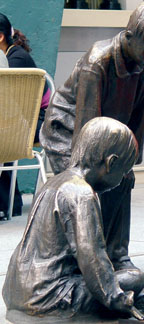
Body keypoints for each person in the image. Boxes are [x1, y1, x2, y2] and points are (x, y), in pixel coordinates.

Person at [40, 1, 144, 274]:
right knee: (82, 189)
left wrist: (129, 163)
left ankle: (117, 254)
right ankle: (77, 257)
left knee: (121, 180)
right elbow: (86, 125)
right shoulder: (98, 62)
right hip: (69, 131)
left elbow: (138, 120)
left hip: (105, 133)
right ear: (129, 37)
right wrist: (90, 166)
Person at [2, 117, 144, 321]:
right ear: (111, 163)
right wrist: (114, 298)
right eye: (123, 173)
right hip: (51, 299)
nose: (120, 182)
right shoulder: (81, 193)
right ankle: (125, 300)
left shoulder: (52, 183)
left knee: (114, 277)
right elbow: (92, 256)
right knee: (134, 278)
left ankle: (123, 298)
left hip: (17, 294)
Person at [0, 13, 51, 218]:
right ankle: (9, 202)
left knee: (4, 131)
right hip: (23, 122)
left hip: (37, 124)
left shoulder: (15, 60)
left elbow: (8, 105)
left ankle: (7, 203)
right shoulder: (12, 56)